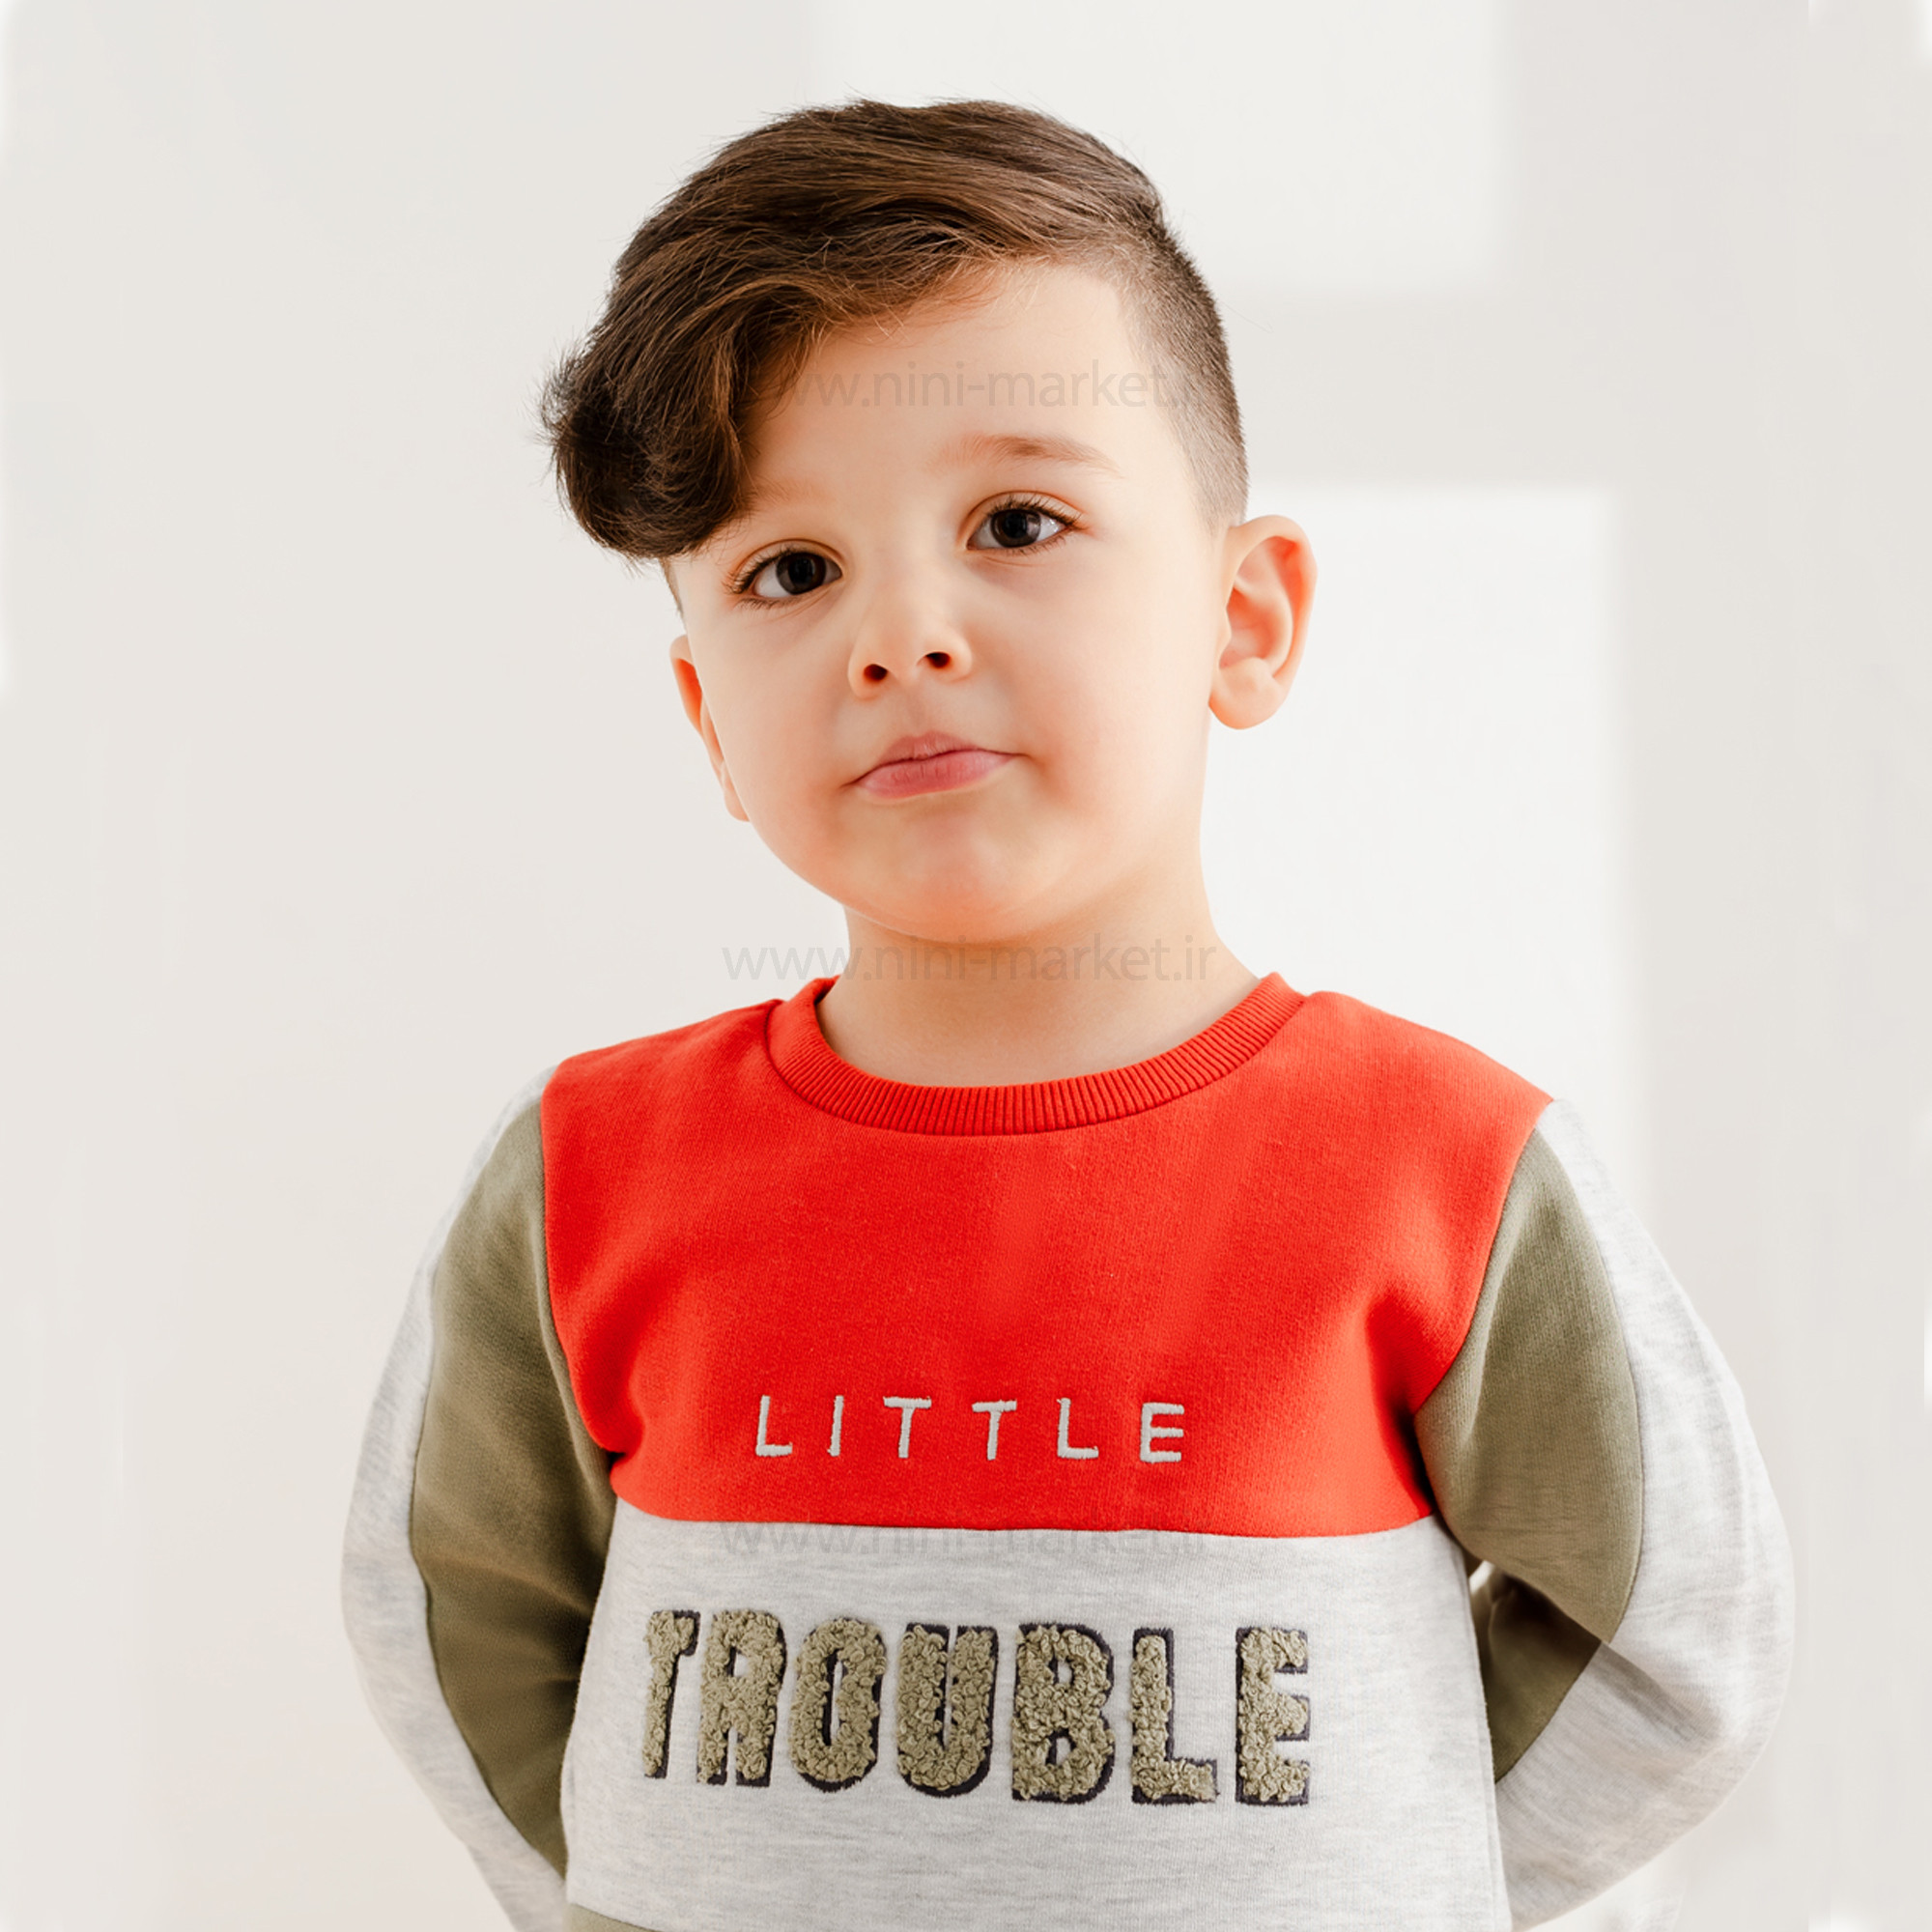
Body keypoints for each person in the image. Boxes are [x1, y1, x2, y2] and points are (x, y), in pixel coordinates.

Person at [342, 99, 1792, 1932]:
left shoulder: (1447, 1166)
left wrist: (1379, 1876)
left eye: (1018, 521)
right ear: (709, 717)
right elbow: (448, 1603)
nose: (903, 634)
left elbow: (1680, 1631)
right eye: (791, 570)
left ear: (1243, 617)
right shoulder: (585, 1168)